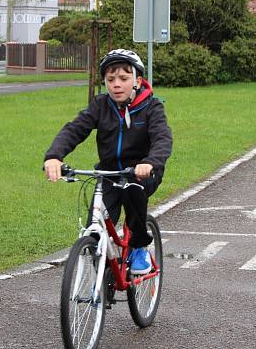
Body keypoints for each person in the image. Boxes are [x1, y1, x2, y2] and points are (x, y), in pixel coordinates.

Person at [43, 49, 173, 274]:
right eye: (110, 79)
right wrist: (54, 156)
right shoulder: (101, 105)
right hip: (108, 173)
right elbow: (75, 129)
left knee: (133, 193)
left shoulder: (152, 108)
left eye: (124, 78)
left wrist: (151, 162)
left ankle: (139, 247)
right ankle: (102, 266)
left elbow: (162, 138)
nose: (116, 84)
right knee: (98, 225)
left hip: (141, 171)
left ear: (137, 81)